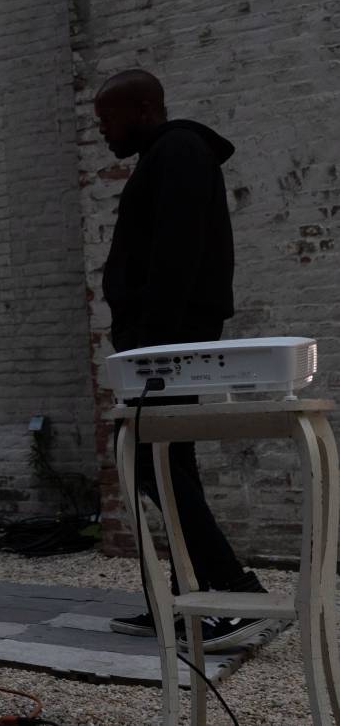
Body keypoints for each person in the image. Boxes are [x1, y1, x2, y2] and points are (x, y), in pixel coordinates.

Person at [95, 69, 269, 651]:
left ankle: (235, 590)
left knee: (156, 465)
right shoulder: (166, 154)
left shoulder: (181, 151)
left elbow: (177, 251)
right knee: (167, 462)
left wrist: (152, 344)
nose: (102, 132)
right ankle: (190, 600)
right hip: (161, 340)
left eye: (108, 120)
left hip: (166, 343)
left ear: (143, 109)